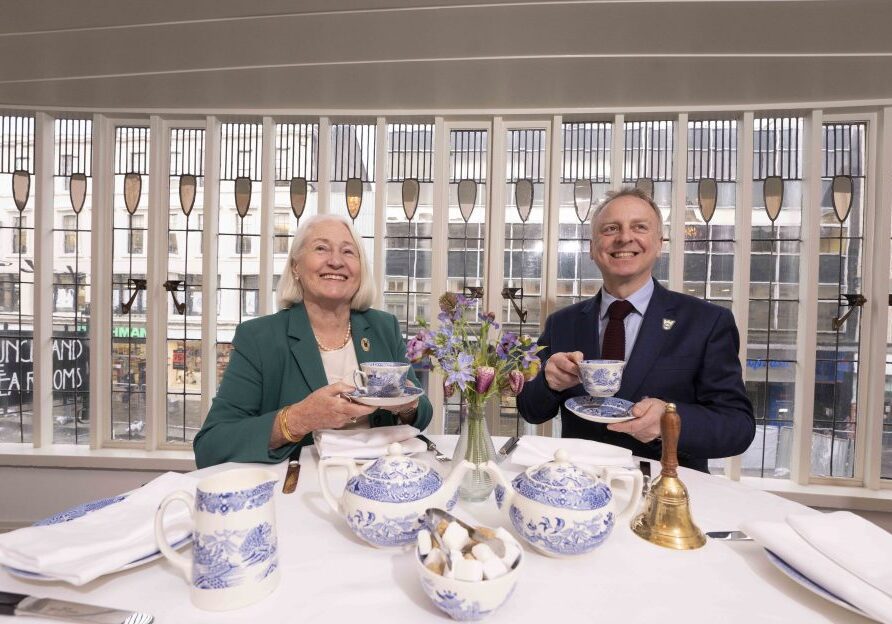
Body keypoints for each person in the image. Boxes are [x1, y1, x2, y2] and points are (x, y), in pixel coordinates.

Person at [517, 188, 754, 472]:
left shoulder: (707, 322)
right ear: (593, 248)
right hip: (580, 487)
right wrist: (548, 382)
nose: (624, 237)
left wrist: (668, 421)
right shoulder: (563, 323)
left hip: (663, 493)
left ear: (659, 244)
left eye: (639, 227)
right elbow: (531, 410)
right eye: (610, 228)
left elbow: (737, 426)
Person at [194, 214, 432, 468]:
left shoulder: (383, 327)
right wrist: (297, 420)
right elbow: (211, 445)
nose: (336, 261)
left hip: (382, 480)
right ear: (296, 266)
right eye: (321, 248)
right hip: (302, 487)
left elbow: (422, 414)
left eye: (348, 252)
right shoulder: (259, 338)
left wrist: (408, 405)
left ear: (360, 269)